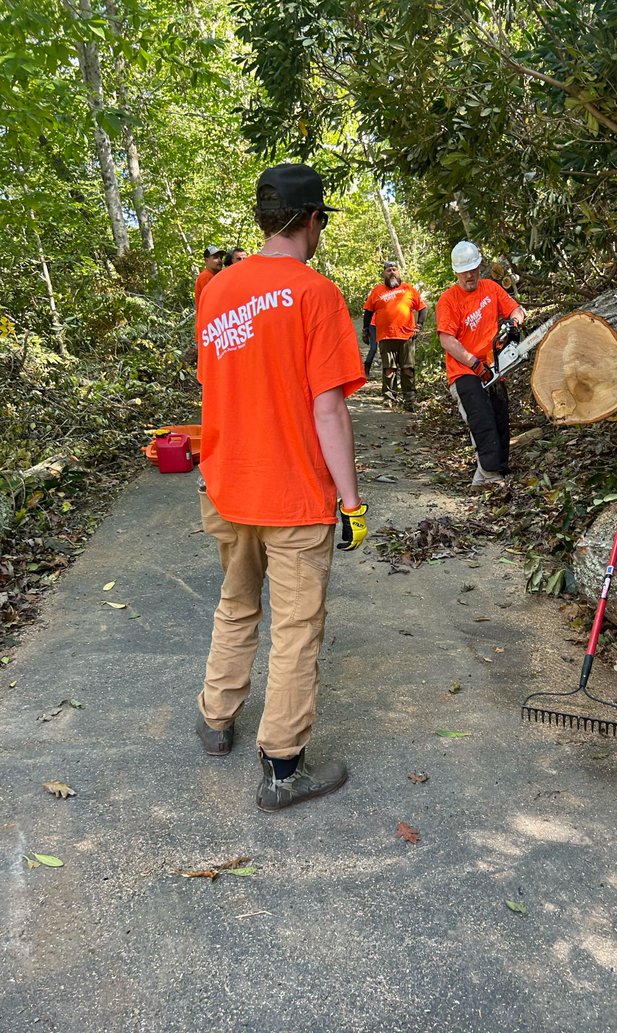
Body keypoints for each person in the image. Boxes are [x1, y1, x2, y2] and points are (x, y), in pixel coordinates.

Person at [194, 163, 369, 812]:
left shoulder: (215, 290)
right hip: (294, 496)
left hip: (227, 488)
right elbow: (329, 410)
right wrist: (352, 503)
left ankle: (216, 720)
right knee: (296, 630)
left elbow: (217, 383)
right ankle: (282, 767)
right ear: (312, 220)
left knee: (237, 604)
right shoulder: (315, 295)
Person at [436, 240, 525, 489]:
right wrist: (473, 363)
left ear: (479, 267)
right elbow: (446, 339)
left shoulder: (491, 289)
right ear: (456, 272)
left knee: (499, 419)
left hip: (494, 368)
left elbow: (516, 309)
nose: (469, 276)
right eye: (464, 271)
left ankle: (487, 477)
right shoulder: (449, 300)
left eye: (473, 269)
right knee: (481, 420)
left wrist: (514, 323)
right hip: (465, 371)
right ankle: (489, 475)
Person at [362, 261, 427, 406]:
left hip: (407, 336)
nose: (392, 272)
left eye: (394, 269)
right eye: (388, 270)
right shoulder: (377, 291)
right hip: (386, 336)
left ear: (399, 272)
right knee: (389, 369)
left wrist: (419, 326)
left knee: (408, 369)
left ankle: (410, 399)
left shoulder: (409, 289)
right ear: (384, 273)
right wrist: (365, 329)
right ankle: (389, 397)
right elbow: (368, 311)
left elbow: (423, 308)